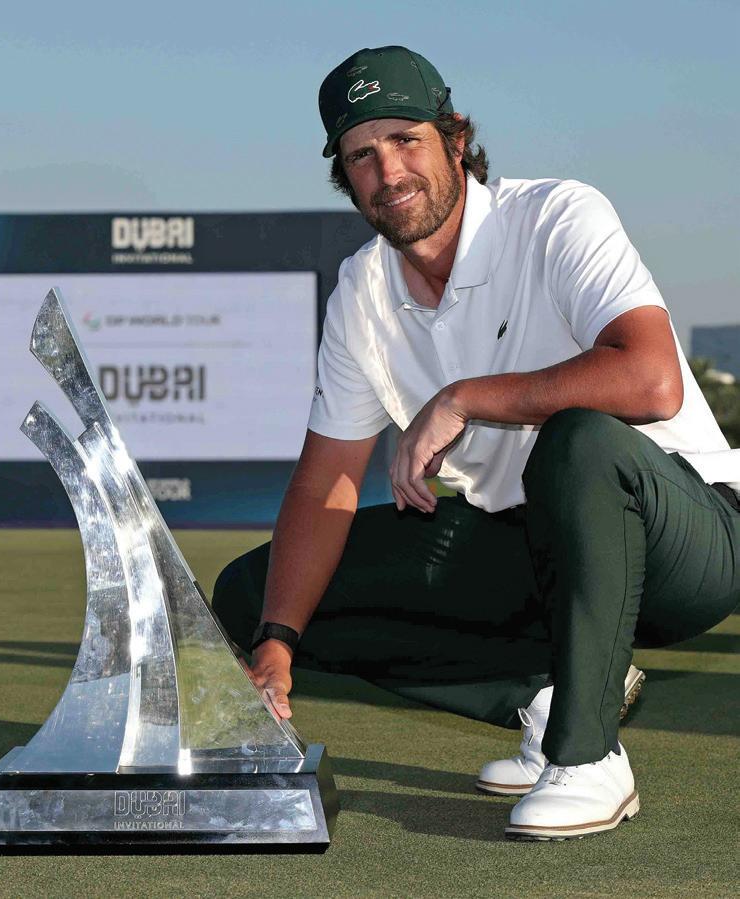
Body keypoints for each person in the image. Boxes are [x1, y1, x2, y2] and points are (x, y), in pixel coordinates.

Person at [212, 45, 740, 840]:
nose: (388, 171)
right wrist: (278, 643)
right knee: (254, 596)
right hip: (535, 552)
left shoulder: (556, 215)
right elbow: (325, 485)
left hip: (687, 534)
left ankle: (590, 755)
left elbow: (652, 378)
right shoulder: (362, 290)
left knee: (577, 441)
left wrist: (464, 397)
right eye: (361, 154)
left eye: (406, 140)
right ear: (344, 176)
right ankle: (549, 698)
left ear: (456, 139)